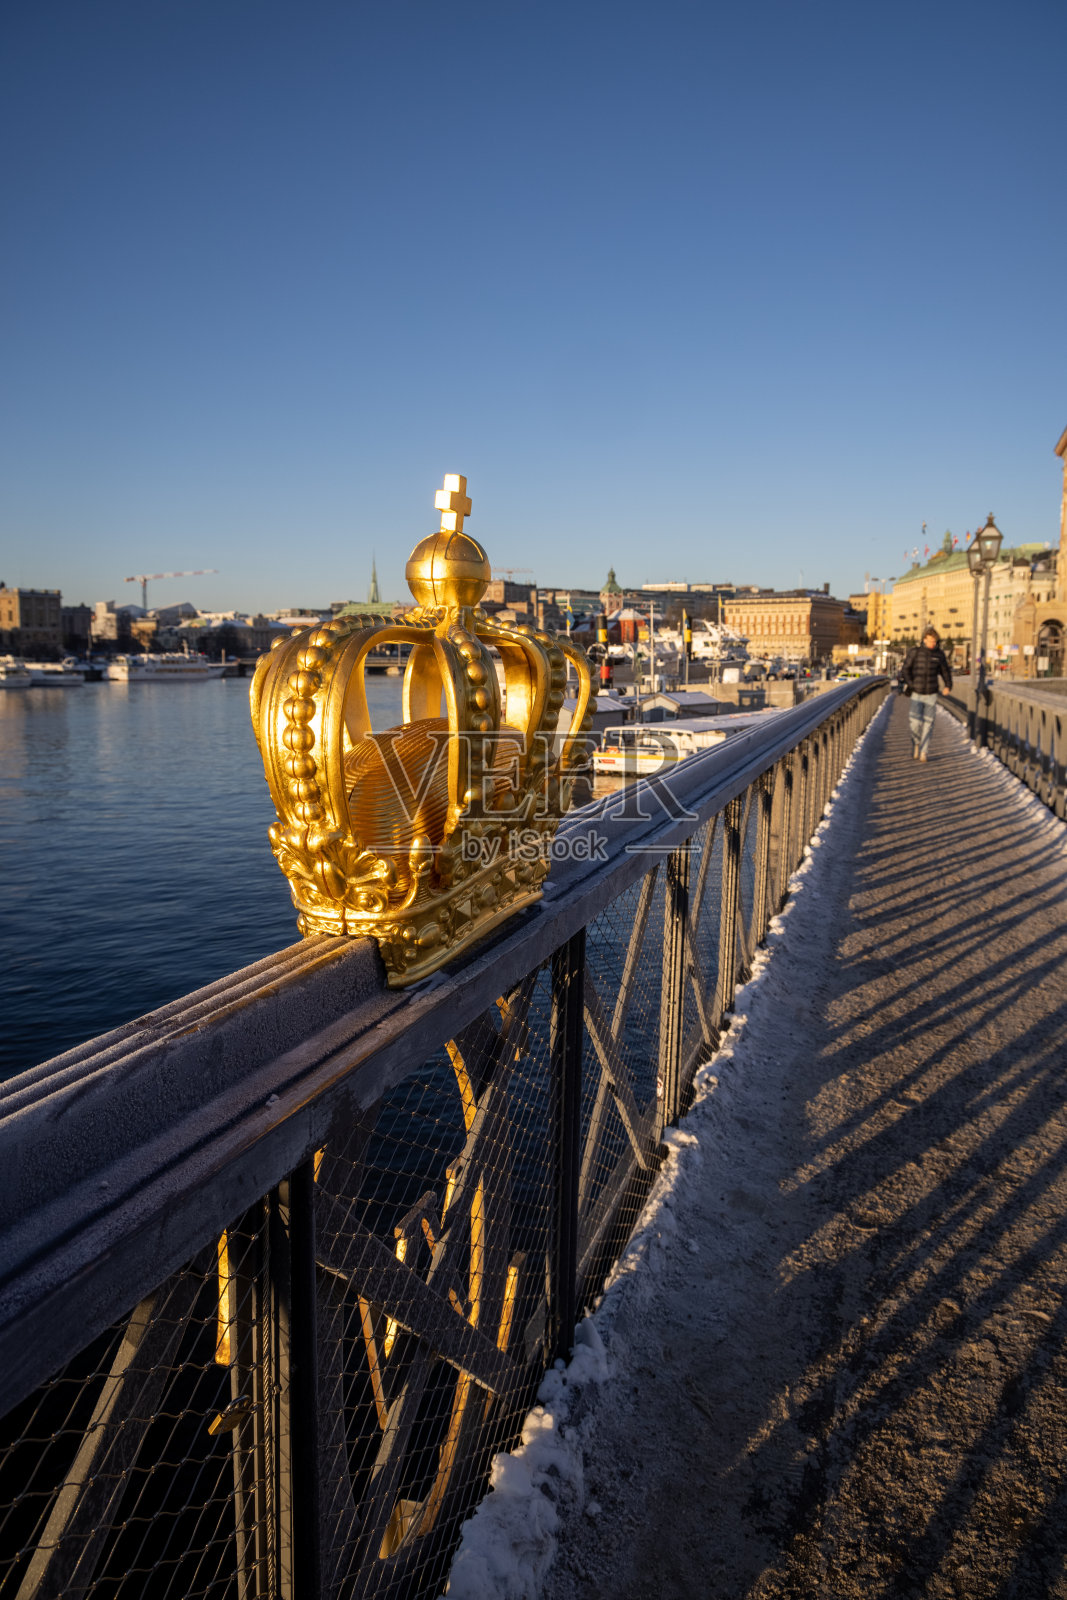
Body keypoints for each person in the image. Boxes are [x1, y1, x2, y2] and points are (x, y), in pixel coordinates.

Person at [901, 628, 953, 761]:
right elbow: (905, 669)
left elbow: (945, 671)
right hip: (916, 692)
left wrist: (948, 685)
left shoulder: (939, 654)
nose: (932, 644)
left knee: (928, 723)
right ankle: (916, 742)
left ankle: (924, 751)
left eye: (934, 641)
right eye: (930, 641)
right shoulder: (915, 652)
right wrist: (911, 683)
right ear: (924, 639)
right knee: (915, 722)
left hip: (931, 693)